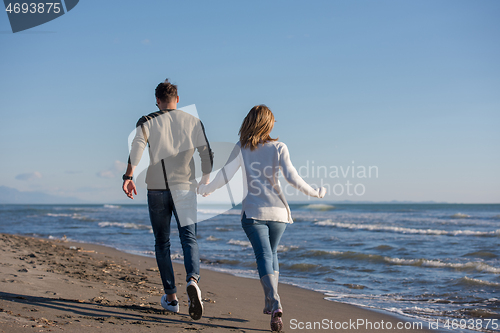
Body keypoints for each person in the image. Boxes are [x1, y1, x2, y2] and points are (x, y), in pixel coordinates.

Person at [198, 105, 326, 331]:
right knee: (271, 254)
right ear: (268, 123)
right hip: (279, 214)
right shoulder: (279, 147)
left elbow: (224, 175)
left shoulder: (242, 148)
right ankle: (271, 303)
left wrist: (207, 189)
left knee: (264, 255)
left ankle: (275, 301)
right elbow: (292, 178)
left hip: (253, 214)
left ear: (249, 122)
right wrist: (316, 193)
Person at [122, 79, 213, 320]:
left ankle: (171, 299)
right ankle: (193, 280)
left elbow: (137, 149)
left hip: (157, 190)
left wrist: (128, 176)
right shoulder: (193, 121)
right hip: (184, 187)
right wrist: (205, 178)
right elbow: (206, 152)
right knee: (189, 237)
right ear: (177, 99)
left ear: (158, 101)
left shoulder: (147, 121)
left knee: (162, 243)